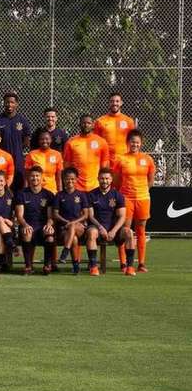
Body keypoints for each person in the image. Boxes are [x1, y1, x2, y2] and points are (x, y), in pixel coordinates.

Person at [112, 130, 155, 273]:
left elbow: (150, 180)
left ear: (141, 143)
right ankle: (124, 263)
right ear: (127, 143)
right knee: (125, 230)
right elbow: (117, 181)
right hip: (126, 199)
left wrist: (142, 191)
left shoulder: (147, 159)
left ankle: (141, 263)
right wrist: (122, 196)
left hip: (143, 198)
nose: (134, 144)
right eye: (132, 142)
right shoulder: (121, 159)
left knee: (141, 230)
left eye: (137, 142)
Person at [86, 168, 135, 276]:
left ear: (111, 179)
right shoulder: (91, 195)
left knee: (129, 232)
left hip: (114, 230)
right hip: (97, 228)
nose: (104, 181)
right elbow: (91, 216)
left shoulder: (118, 195)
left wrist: (113, 231)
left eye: (107, 178)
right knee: (91, 232)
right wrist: (100, 228)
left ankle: (130, 267)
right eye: (102, 178)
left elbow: (122, 216)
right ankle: (93, 267)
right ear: (98, 179)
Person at [14, 166, 56, 275]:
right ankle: (28, 266)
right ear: (28, 178)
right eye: (32, 176)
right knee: (27, 233)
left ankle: (47, 265)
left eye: (37, 176)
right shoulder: (21, 194)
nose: (35, 178)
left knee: (50, 234)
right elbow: (19, 216)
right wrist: (25, 225)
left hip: (42, 227)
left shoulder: (49, 195)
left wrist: (49, 224)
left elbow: (51, 216)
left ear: (42, 178)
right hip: (28, 225)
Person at [0, 92, 32, 191]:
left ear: (17, 104)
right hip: (1, 160)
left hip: (18, 160)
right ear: (4, 103)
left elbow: (27, 140)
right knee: (2, 185)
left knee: (18, 187)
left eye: (12, 102)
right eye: (7, 102)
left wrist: (19, 149)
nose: (9, 105)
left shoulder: (23, 120)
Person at [52, 167, 90, 274]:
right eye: (68, 179)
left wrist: (73, 223)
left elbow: (86, 214)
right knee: (73, 239)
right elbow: (55, 214)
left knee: (73, 226)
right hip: (64, 228)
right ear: (63, 180)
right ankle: (76, 266)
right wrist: (66, 223)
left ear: (76, 179)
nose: (70, 181)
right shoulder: (59, 195)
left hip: (80, 227)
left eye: (73, 179)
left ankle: (66, 250)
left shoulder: (81, 195)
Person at [63, 114, 110, 192]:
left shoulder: (101, 142)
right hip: (76, 187)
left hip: (95, 186)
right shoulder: (71, 142)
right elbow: (67, 167)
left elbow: (104, 167)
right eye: (83, 123)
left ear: (93, 125)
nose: (86, 125)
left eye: (89, 123)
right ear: (79, 124)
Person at [94, 92, 136, 165]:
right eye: (112, 101)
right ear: (109, 103)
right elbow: (96, 142)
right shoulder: (100, 121)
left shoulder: (129, 121)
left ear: (121, 103)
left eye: (117, 101)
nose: (114, 103)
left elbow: (133, 141)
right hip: (106, 161)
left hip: (124, 160)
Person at [24, 129, 63, 193]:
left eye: (47, 139)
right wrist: (25, 193)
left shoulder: (57, 155)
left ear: (51, 140)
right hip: (36, 191)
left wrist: (60, 194)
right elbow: (26, 177)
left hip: (52, 191)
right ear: (39, 141)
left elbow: (59, 178)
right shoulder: (31, 154)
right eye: (42, 139)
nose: (44, 141)